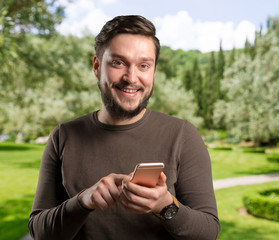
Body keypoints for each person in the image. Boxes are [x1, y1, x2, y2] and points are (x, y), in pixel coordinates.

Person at [28, 15, 219, 240]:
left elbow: (208, 232)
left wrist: (165, 205)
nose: (131, 77)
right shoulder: (63, 136)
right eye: (118, 62)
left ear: (153, 71)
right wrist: (83, 201)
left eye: (144, 65)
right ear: (97, 66)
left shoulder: (183, 135)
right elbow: (40, 232)